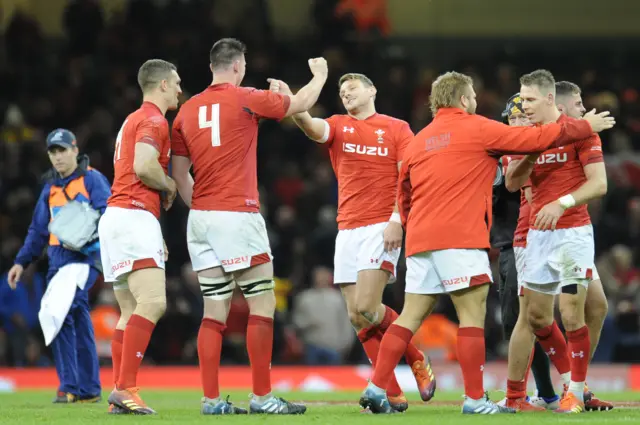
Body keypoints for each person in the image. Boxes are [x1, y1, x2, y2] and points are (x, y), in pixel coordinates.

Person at [357, 70, 615, 415]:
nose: (477, 102)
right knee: (471, 318)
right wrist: (585, 126)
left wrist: (402, 224)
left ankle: (376, 388)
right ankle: (476, 400)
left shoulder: (419, 139)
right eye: (474, 96)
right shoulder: (476, 126)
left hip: (420, 239)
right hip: (462, 238)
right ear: (464, 99)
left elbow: (402, 193)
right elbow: (532, 141)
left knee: (408, 318)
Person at [170, 38, 327, 415]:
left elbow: (178, 174)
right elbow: (301, 105)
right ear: (238, 66)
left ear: (212, 67)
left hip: (201, 219)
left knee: (213, 312)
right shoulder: (246, 96)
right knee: (262, 303)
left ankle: (210, 401)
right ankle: (262, 397)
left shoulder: (186, 111)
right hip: (236, 214)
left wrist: (203, 207)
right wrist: (319, 75)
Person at [268, 72, 436, 412]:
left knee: (367, 308)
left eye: (353, 88)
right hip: (347, 228)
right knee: (356, 317)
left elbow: (408, 177)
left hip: (380, 225)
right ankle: (389, 390)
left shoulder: (396, 127)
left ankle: (416, 357)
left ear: (372, 89)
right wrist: (293, 99)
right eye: (342, 91)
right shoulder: (339, 125)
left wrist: (396, 220)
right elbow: (310, 126)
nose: (346, 94)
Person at [505, 76, 613, 412]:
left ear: (550, 98)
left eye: (530, 100)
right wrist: (535, 147)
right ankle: (566, 387)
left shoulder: (583, 133)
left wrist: (562, 202)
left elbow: (599, 184)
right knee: (537, 317)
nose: (523, 106)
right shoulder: (528, 135)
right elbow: (512, 183)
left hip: (572, 234)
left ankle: (575, 392)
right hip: (535, 237)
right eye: (521, 100)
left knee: (572, 312)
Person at [98, 59, 181, 415]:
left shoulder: (131, 119)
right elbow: (144, 167)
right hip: (133, 214)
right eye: (176, 82)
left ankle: (121, 393)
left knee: (128, 310)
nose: (180, 88)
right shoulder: (153, 120)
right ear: (162, 85)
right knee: (153, 303)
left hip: (117, 217)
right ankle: (125, 388)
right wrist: (170, 185)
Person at [7, 128, 111, 404]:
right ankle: (88, 389)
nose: (58, 157)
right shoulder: (50, 188)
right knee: (76, 316)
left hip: (84, 260)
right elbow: (38, 230)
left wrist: (93, 235)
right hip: (57, 262)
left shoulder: (93, 180)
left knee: (61, 311)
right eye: (53, 152)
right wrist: (21, 261)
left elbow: (109, 215)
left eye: (63, 150)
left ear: (76, 151)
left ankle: (69, 386)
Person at [492, 95, 556, 412]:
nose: (515, 124)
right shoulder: (502, 153)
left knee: (532, 319)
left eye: (521, 118)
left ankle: (556, 389)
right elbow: (507, 189)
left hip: (535, 240)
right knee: (524, 320)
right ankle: (549, 391)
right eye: (511, 118)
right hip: (511, 242)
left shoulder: (544, 147)